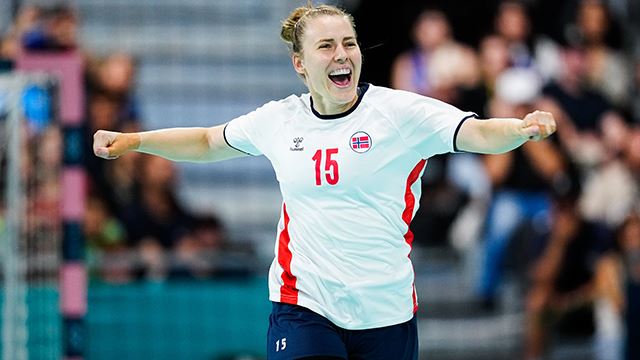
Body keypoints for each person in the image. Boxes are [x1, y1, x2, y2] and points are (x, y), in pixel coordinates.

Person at [92, 4, 556, 359]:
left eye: (349, 43)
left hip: (386, 308)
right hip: (304, 302)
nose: (342, 55)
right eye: (326, 46)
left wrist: (518, 130)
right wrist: (135, 141)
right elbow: (208, 141)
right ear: (300, 63)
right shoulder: (281, 120)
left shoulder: (399, 114)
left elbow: (474, 133)